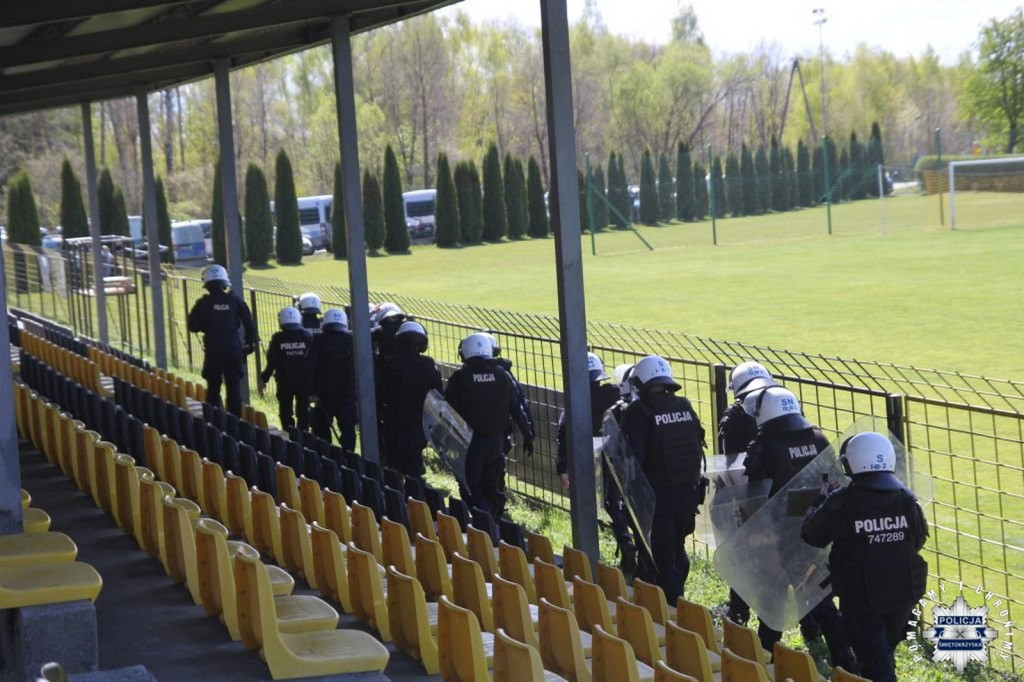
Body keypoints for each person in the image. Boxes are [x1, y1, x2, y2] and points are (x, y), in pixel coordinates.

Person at [742, 386, 855, 669]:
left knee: (774, 597)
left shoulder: (762, 446)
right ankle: (843, 659)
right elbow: (835, 481)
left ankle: (766, 656)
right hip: (814, 531)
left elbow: (754, 494)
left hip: (777, 536)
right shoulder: (817, 438)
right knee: (820, 598)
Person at [802, 432, 928, 682]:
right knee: (882, 655)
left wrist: (819, 501)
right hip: (903, 593)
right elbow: (918, 540)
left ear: (849, 464)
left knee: (875, 667)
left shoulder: (842, 501)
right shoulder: (906, 499)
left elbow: (812, 535)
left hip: (862, 598)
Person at [621, 355, 706, 603]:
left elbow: (633, 457)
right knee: (677, 549)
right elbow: (699, 438)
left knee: (662, 557)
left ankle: (673, 609)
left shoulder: (638, 412)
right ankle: (674, 599)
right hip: (689, 494)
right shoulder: (684, 405)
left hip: (658, 499)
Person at [556, 353, 637, 572]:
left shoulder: (574, 402)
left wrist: (562, 467)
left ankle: (595, 549)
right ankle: (627, 540)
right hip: (617, 456)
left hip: (586, 461)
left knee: (593, 504)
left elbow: (563, 435)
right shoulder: (613, 394)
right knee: (617, 502)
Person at [445, 332, 533, 516]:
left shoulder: (459, 378)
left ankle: (482, 521)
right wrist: (527, 434)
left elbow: (447, 412)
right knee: (493, 485)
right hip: (497, 443)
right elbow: (517, 408)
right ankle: (495, 520)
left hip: (470, 443)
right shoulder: (502, 375)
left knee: (471, 487)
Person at [717, 360, 778, 625]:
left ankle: (739, 610)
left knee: (743, 554)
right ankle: (810, 623)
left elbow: (731, 464)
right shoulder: (782, 403)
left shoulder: (734, 417)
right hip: (783, 491)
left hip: (748, 495)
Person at [187, 264, 256, 416]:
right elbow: (249, 322)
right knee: (234, 388)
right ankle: (235, 422)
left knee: (213, 388)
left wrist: (208, 325)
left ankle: (213, 421)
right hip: (233, 349)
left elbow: (193, 326)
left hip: (213, 350)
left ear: (206, 284)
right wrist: (250, 342)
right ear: (225, 282)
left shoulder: (203, 303)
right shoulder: (234, 301)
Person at [377, 321, 443, 479]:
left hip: (393, 421)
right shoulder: (428, 365)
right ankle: (415, 488)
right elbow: (438, 396)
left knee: (394, 462)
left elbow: (380, 392)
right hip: (419, 423)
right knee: (413, 461)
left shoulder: (390, 363)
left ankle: (394, 487)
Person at [258, 306, 314, 432]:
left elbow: (272, 361)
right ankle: (303, 435)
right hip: (305, 381)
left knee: (285, 411)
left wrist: (264, 379)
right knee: (303, 411)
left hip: (285, 381)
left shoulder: (278, 338)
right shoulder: (308, 337)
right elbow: (314, 361)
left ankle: (289, 435)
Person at [310, 308, 357, 452]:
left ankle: (324, 455)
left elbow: (311, 365)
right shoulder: (351, 341)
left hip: (324, 393)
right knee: (348, 428)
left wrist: (311, 391)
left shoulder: (318, 339)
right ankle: (349, 456)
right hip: (347, 392)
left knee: (321, 427)